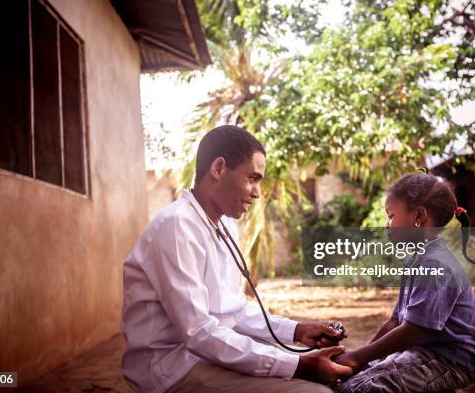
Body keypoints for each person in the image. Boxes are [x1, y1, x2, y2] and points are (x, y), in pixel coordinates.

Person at [122, 125, 353, 393]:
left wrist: (297, 331)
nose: (256, 192)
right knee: (316, 391)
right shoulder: (176, 226)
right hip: (172, 368)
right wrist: (300, 365)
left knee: (333, 374)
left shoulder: (224, 226)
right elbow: (198, 332)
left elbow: (232, 310)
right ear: (219, 168)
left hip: (205, 353)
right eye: (252, 179)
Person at [333, 173, 475, 393]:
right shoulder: (419, 259)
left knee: (357, 389)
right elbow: (396, 321)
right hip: (420, 352)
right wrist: (361, 359)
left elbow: (413, 331)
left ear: (419, 216)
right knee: (351, 377)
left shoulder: (435, 265)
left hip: (449, 359)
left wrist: (356, 358)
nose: (387, 225)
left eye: (391, 216)